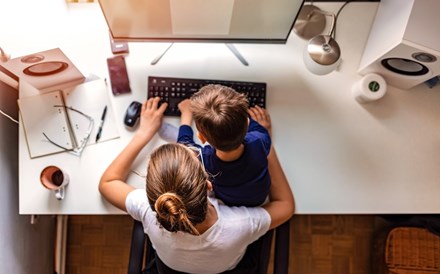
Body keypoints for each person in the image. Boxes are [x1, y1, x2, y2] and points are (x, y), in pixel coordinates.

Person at [99, 97, 294, 273]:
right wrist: (265, 145)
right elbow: (285, 206)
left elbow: (107, 183)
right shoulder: (240, 224)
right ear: (209, 185)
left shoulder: (149, 211)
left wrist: (144, 133)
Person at [177, 85, 271, 207]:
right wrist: (262, 127)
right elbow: (256, 128)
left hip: (228, 201)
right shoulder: (260, 139)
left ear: (201, 137)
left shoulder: (204, 161)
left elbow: (184, 146)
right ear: (247, 124)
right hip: (258, 198)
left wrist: (185, 116)